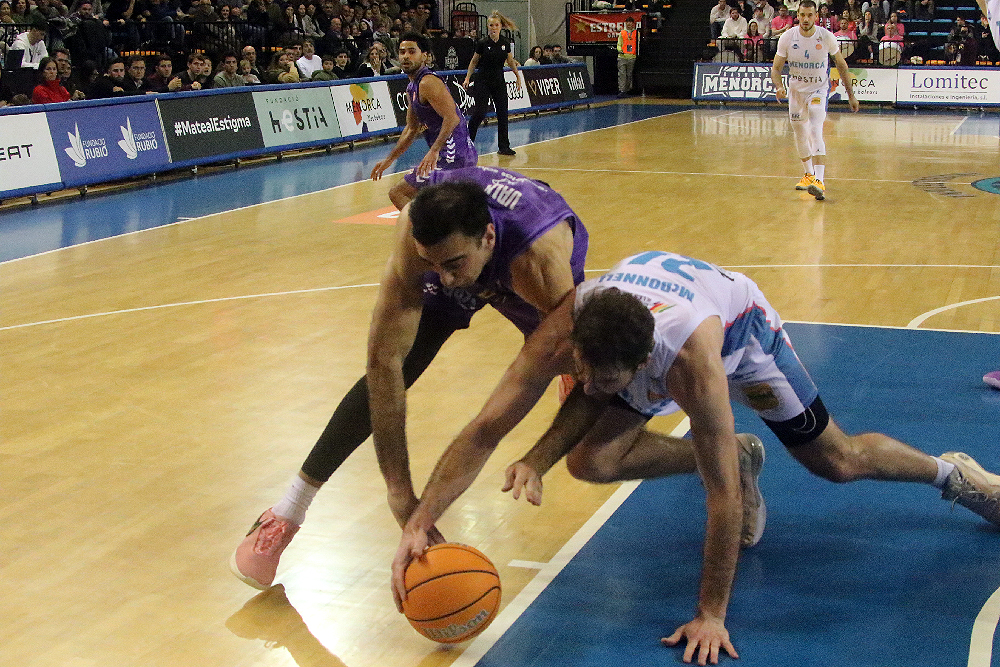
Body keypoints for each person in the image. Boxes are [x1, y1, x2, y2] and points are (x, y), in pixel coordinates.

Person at [391, 249, 1000, 665]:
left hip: (743, 335)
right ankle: (741, 454)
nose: (596, 387)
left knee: (836, 461)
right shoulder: (578, 325)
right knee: (591, 460)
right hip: (651, 314)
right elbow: (488, 425)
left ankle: (955, 474)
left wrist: (711, 613)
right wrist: (424, 515)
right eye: (586, 372)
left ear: (641, 370)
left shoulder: (691, 367)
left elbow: (720, 498)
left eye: (614, 383)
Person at [230, 167, 590, 591]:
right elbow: (383, 364)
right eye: (430, 264)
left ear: (488, 238)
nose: (444, 279)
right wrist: (399, 491)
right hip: (470, 247)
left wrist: (541, 444)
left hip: (523, 265)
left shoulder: (537, 258)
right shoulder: (421, 240)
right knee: (401, 362)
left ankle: (574, 371)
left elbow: (505, 403)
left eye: (450, 265)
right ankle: (287, 512)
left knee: (573, 360)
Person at [369, 33, 478, 209]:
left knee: (398, 193)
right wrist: (389, 160)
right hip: (457, 155)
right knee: (432, 206)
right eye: (402, 52)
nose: (405, 56)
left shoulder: (428, 82)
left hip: (452, 156)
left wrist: (434, 150)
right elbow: (411, 129)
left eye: (412, 51)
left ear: (425, 56)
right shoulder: (412, 86)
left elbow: (452, 118)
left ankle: (428, 234)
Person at [772, 0, 859, 202]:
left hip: (818, 90)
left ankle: (819, 180)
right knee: (799, 131)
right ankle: (808, 174)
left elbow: (842, 66)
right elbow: (776, 69)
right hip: (795, 92)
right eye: (802, 15)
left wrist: (851, 95)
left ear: (816, 17)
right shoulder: (787, 37)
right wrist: (779, 87)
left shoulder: (826, 36)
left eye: (810, 15)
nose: (805, 19)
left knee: (814, 127)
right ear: (798, 16)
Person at [464, 11, 522, 156]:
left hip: (498, 80)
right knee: (480, 112)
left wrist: (517, 76)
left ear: (500, 27)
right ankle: (467, 143)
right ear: (488, 27)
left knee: (502, 112)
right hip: (483, 80)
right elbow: (474, 61)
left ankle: (504, 146)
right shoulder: (482, 43)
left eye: (496, 25)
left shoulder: (505, 43)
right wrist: (467, 78)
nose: (493, 28)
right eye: (491, 25)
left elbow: (510, 61)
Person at [616, 15, 639, 96]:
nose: (629, 24)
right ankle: (622, 90)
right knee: (622, 74)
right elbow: (619, 44)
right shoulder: (622, 33)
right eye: (627, 22)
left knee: (629, 75)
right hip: (622, 57)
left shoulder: (636, 33)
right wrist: (620, 50)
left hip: (632, 57)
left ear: (633, 24)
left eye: (630, 22)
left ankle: (627, 89)